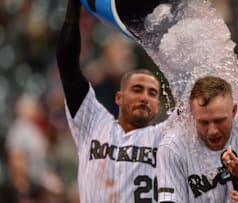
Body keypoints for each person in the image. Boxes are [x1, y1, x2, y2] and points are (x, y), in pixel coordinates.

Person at [56, 0, 171, 202]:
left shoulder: (165, 136)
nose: (145, 97)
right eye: (137, 89)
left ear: (157, 105)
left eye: (152, 93)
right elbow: (68, 66)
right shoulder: (92, 122)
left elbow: (198, 97)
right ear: (119, 97)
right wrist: (72, 12)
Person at [156, 76, 238, 203]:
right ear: (192, 116)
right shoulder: (173, 146)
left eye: (219, 120)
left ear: (233, 111)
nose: (212, 131)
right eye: (204, 122)